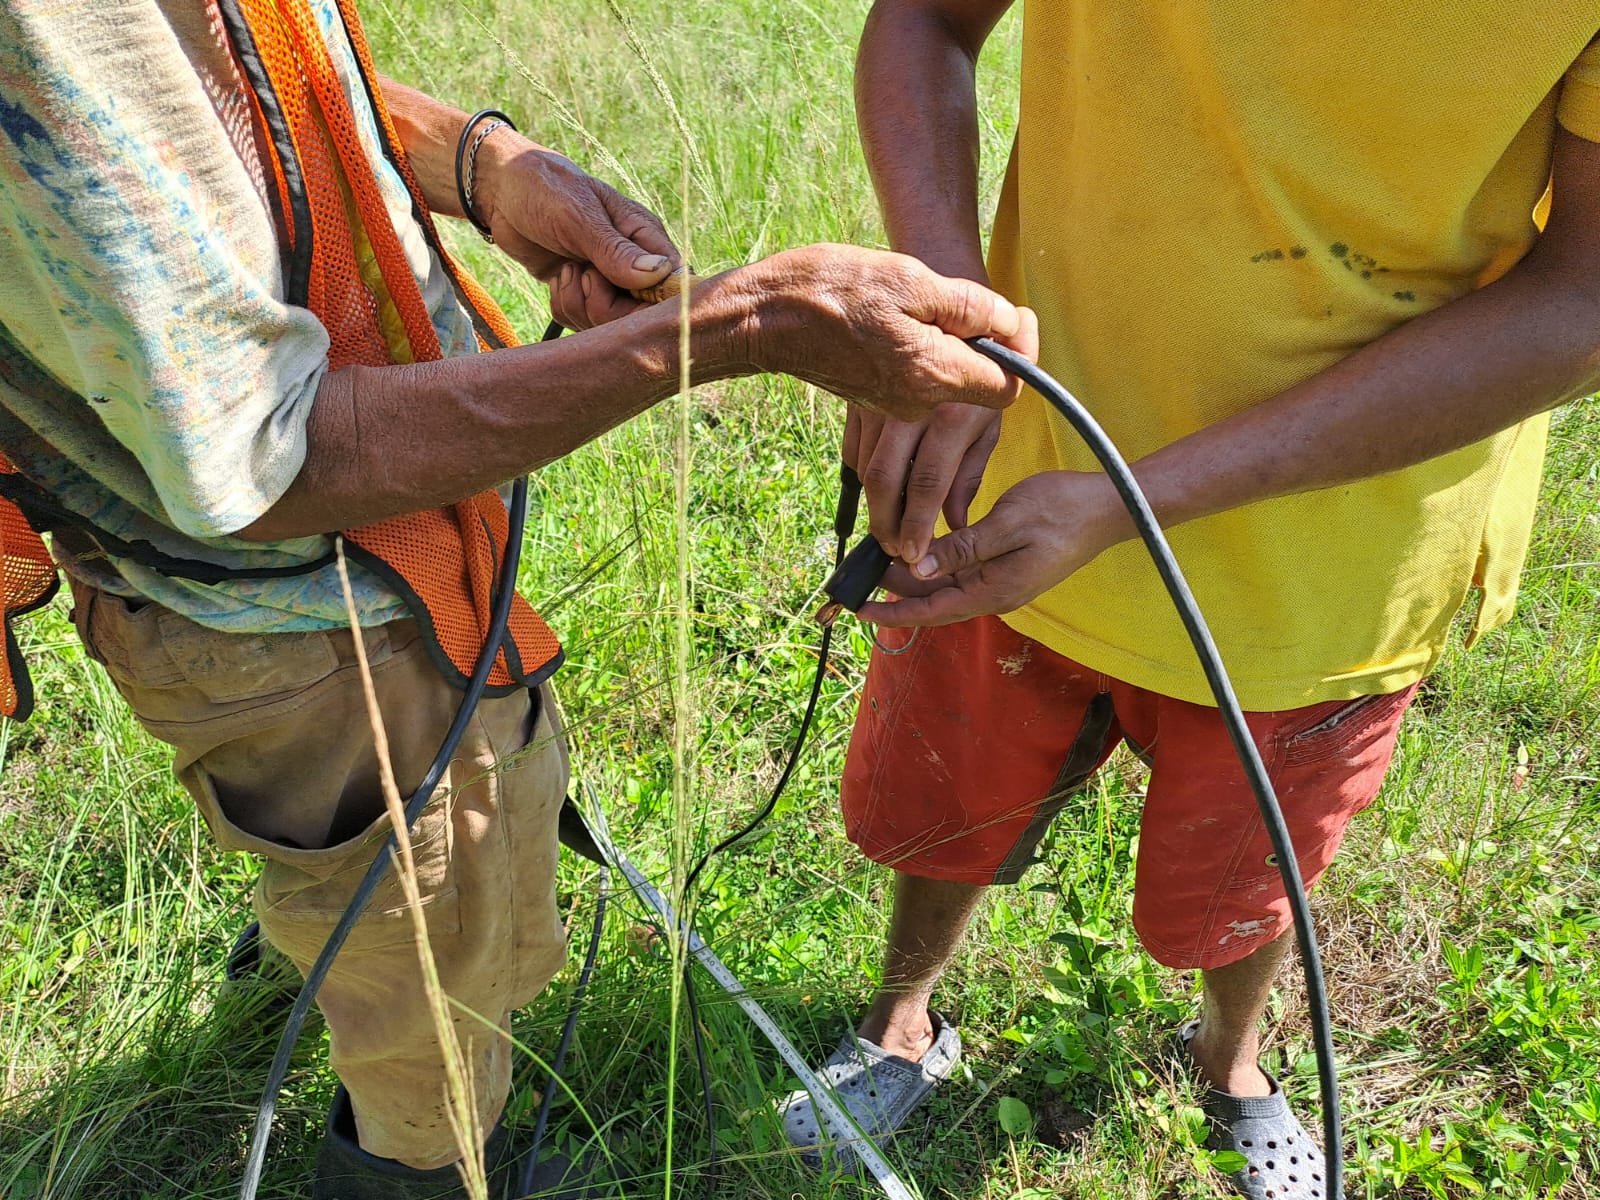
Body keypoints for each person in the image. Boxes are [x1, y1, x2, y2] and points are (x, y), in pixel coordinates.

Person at [0, 2, 1037, 1197]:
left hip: (390, 567)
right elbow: (265, 458)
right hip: (307, 623)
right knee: (427, 968)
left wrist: (481, 168)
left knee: (425, 911)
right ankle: (427, 1169)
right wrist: (742, 327)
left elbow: (225, 106)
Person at [776, 3, 1600, 1196]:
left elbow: (1580, 300)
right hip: (1011, 470)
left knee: (1246, 866)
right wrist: (947, 309)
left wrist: (1131, 499)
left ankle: (1232, 1061)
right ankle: (901, 1019)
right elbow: (925, 19)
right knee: (949, 792)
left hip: (1329, 559)